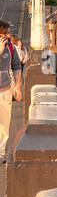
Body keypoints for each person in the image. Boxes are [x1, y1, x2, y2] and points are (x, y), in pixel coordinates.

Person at [0, 19, 23, 151]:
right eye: (5, 34)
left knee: (4, 125)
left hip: (5, 90)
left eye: (9, 33)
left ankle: (1, 154)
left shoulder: (11, 47)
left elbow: (16, 66)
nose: (8, 36)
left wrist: (17, 86)